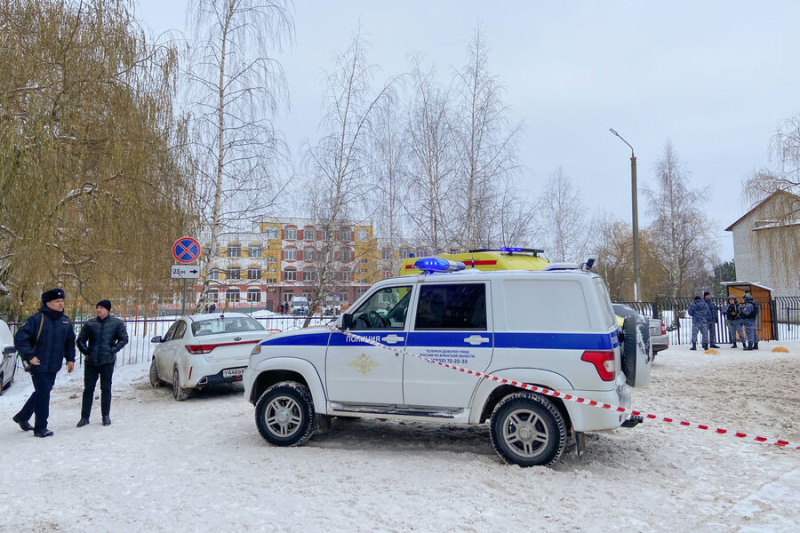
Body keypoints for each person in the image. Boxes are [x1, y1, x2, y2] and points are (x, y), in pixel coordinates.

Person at [12, 288, 76, 438]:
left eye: (62, 301)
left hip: (54, 365)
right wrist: (30, 356)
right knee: (44, 394)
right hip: (39, 364)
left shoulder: (65, 321)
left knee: (43, 392)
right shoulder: (36, 319)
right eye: (57, 301)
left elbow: (69, 342)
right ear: (48, 303)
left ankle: (22, 417)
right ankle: (40, 428)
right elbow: (20, 339)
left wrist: (70, 359)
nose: (60, 304)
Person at [76, 300, 129, 427]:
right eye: (97, 307)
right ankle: (84, 417)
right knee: (88, 390)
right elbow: (80, 340)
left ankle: (105, 416)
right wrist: (87, 351)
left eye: (101, 308)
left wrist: (113, 350)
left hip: (107, 361)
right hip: (91, 362)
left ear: (107, 309)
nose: (98, 310)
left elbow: (124, 338)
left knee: (106, 389)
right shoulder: (90, 324)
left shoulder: (116, 323)